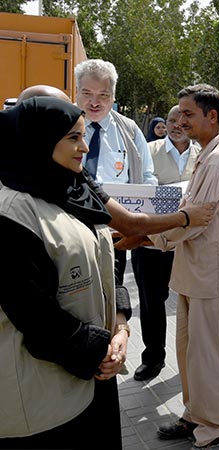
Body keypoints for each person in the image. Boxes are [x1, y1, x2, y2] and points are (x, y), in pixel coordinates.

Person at [0, 97, 128, 449]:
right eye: (73, 138)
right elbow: (33, 313)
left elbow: (109, 258)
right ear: (39, 140)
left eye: (83, 136)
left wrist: (121, 326)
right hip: (44, 399)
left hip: (93, 377)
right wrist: (100, 350)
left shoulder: (75, 188)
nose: (84, 147)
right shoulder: (12, 212)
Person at [152, 84, 219, 450]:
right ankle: (195, 414)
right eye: (179, 113)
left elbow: (198, 218)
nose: (180, 120)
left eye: (188, 114)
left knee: (208, 356)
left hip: (212, 273)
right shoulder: (207, 152)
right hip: (194, 271)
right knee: (189, 352)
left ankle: (217, 426)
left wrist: (147, 237)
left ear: (212, 116)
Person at [15, 84, 215, 235]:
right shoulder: (13, 202)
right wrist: (186, 218)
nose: (84, 148)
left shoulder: (77, 179)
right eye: (72, 136)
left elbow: (127, 223)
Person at [131, 105, 200, 381]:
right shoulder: (148, 151)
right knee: (151, 302)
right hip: (150, 241)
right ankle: (153, 357)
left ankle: (194, 361)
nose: (176, 125)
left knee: (194, 302)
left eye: (183, 121)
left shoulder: (204, 155)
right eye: (171, 120)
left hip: (189, 243)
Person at [74, 59, 158, 287]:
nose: (94, 102)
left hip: (115, 233)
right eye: (87, 93)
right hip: (70, 231)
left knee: (112, 293)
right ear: (76, 91)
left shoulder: (129, 130)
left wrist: (138, 225)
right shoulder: (64, 125)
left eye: (103, 94)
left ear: (113, 96)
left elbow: (147, 178)